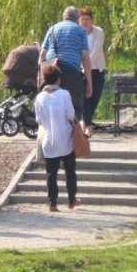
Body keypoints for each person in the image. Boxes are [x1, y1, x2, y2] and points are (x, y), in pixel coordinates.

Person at [34, 64, 81, 212]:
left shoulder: (39, 97)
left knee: (51, 173)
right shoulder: (64, 94)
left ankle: (52, 203)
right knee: (70, 171)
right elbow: (70, 115)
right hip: (65, 138)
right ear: (58, 79)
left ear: (45, 79)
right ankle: (71, 200)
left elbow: (39, 120)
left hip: (49, 139)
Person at [39, 6, 92, 121]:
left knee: (50, 106)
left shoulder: (52, 29)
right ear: (77, 19)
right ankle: (73, 133)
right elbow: (85, 58)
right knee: (75, 107)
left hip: (51, 71)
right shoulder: (80, 31)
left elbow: (42, 55)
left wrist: (40, 77)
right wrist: (89, 83)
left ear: (64, 17)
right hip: (71, 72)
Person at [78, 7, 106, 137]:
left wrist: (86, 63)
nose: (84, 22)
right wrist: (83, 67)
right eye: (82, 19)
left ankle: (85, 123)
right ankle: (88, 126)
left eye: (87, 19)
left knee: (94, 98)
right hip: (82, 70)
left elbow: (95, 51)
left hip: (97, 69)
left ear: (92, 20)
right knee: (85, 99)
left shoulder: (99, 32)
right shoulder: (77, 33)